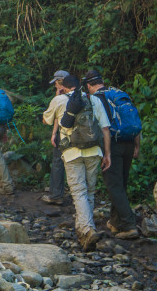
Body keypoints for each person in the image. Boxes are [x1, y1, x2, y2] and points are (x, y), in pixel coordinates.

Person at [43, 74, 111, 251]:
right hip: (94, 151)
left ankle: (88, 229)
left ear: (63, 87)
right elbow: (105, 128)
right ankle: (82, 231)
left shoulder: (59, 99)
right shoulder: (94, 99)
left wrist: (57, 95)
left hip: (72, 152)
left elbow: (46, 120)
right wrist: (107, 154)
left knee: (78, 191)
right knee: (90, 190)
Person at [83, 69, 140, 239]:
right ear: (102, 81)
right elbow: (134, 119)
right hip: (129, 142)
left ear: (88, 85)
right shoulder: (118, 92)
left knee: (113, 186)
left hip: (112, 145)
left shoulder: (95, 99)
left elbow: (101, 127)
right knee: (120, 185)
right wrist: (137, 146)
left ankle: (130, 226)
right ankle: (116, 223)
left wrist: (104, 151)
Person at [41, 69, 69, 205]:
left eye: (56, 84)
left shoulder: (59, 99)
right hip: (82, 136)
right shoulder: (80, 95)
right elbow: (59, 116)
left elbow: (46, 120)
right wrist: (53, 133)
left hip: (64, 136)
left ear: (60, 83)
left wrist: (55, 98)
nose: (55, 87)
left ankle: (56, 195)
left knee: (58, 163)